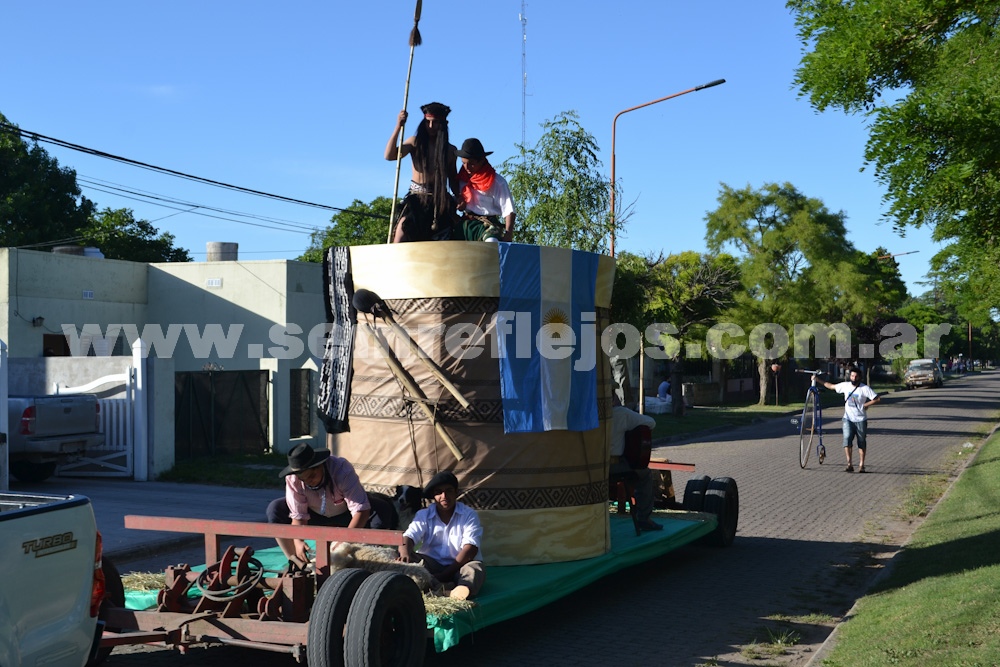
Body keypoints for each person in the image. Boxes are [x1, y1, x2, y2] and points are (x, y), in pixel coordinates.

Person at [266, 443, 395, 562]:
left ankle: (366, 560)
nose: (308, 481)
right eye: (303, 479)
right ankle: (297, 561)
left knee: (382, 508)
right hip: (314, 515)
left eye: (311, 476)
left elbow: (361, 510)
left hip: (345, 514)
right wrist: (298, 541)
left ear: (320, 465)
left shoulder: (341, 470)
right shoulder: (293, 479)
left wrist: (345, 541)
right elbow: (298, 516)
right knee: (275, 508)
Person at [396, 471, 485, 600]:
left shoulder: (469, 515)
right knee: (399, 559)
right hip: (431, 565)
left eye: (449, 491)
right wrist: (405, 555)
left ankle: (454, 589)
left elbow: (470, 549)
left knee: (475, 569)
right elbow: (408, 537)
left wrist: (444, 574)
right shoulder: (424, 515)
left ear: (456, 492)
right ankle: (446, 589)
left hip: (460, 566)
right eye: (438, 492)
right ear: (433, 495)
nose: (444, 496)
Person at [385, 102, 459, 242]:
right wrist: (398, 127)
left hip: (440, 201)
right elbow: (389, 156)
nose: (431, 126)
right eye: (428, 122)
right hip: (416, 199)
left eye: (435, 122)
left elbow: (453, 179)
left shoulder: (450, 151)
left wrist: (460, 197)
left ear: (443, 124)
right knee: (400, 234)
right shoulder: (415, 142)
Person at [610, 401, 662, 531]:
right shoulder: (620, 413)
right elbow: (651, 422)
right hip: (613, 466)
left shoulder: (584, 411)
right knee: (644, 474)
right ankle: (643, 518)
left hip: (587, 467)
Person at [454, 138, 515, 242]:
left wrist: (508, 234)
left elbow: (509, 210)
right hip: (465, 224)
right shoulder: (460, 180)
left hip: (487, 225)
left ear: (482, 160)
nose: (467, 167)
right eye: (463, 163)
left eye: (471, 163)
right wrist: (458, 204)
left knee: (491, 243)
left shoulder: (497, 182)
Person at [822, 365, 880, 473]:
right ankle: (849, 464)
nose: (853, 378)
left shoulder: (864, 388)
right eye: (852, 376)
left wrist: (867, 404)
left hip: (860, 419)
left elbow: (877, 399)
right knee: (847, 439)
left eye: (856, 376)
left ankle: (862, 464)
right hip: (847, 418)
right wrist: (817, 380)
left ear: (860, 377)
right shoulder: (845, 386)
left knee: (861, 441)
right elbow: (831, 386)